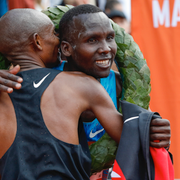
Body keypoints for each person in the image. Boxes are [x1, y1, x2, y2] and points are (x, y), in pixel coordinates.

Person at [0, 4, 171, 179]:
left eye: (110, 38)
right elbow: (135, 139)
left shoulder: (2, 93)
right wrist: (152, 133)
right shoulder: (83, 85)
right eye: (53, 33)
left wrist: (156, 129)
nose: (57, 40)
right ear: (37, 41)